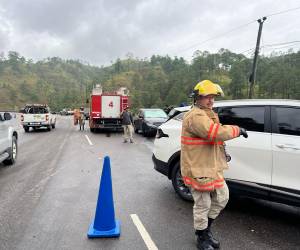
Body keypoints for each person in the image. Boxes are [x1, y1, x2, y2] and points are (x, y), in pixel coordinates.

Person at [180, 80, 248, 250]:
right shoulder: (196, 116)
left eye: (212, 97)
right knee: (203, 204)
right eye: (206, 97)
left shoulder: (207, 113)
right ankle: (201, 237)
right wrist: (237, 129)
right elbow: (214, 133)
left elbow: (214, 138)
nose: (210, 101)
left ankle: (206, 230)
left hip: (211, 167)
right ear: (197, 98)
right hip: (198, 169)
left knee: (222, 197)